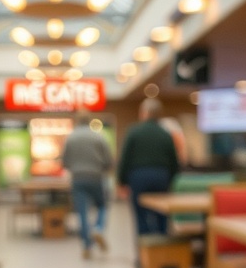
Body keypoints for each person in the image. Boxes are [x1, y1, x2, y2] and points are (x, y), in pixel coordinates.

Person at [117, 98, 180, 240]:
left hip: (138, 177)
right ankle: (162, 250)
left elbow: (125, 159)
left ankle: (145, 254)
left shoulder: (134, 132)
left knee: (141, 216)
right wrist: (170, 179)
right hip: (161, 177)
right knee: (161, 214)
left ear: (144, 113)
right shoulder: (166, 134)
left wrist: (121, 181)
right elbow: (174, 161)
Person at [62, 111, 114, 259]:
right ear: (89, 120)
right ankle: (98, 228)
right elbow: (109, 161)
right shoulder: (99, 136)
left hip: (78, 178)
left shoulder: (70, 138)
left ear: (77, 121)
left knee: (82, 212)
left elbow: (65, 162)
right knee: (102, 206)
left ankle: (86, 245)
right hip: (96, 177)